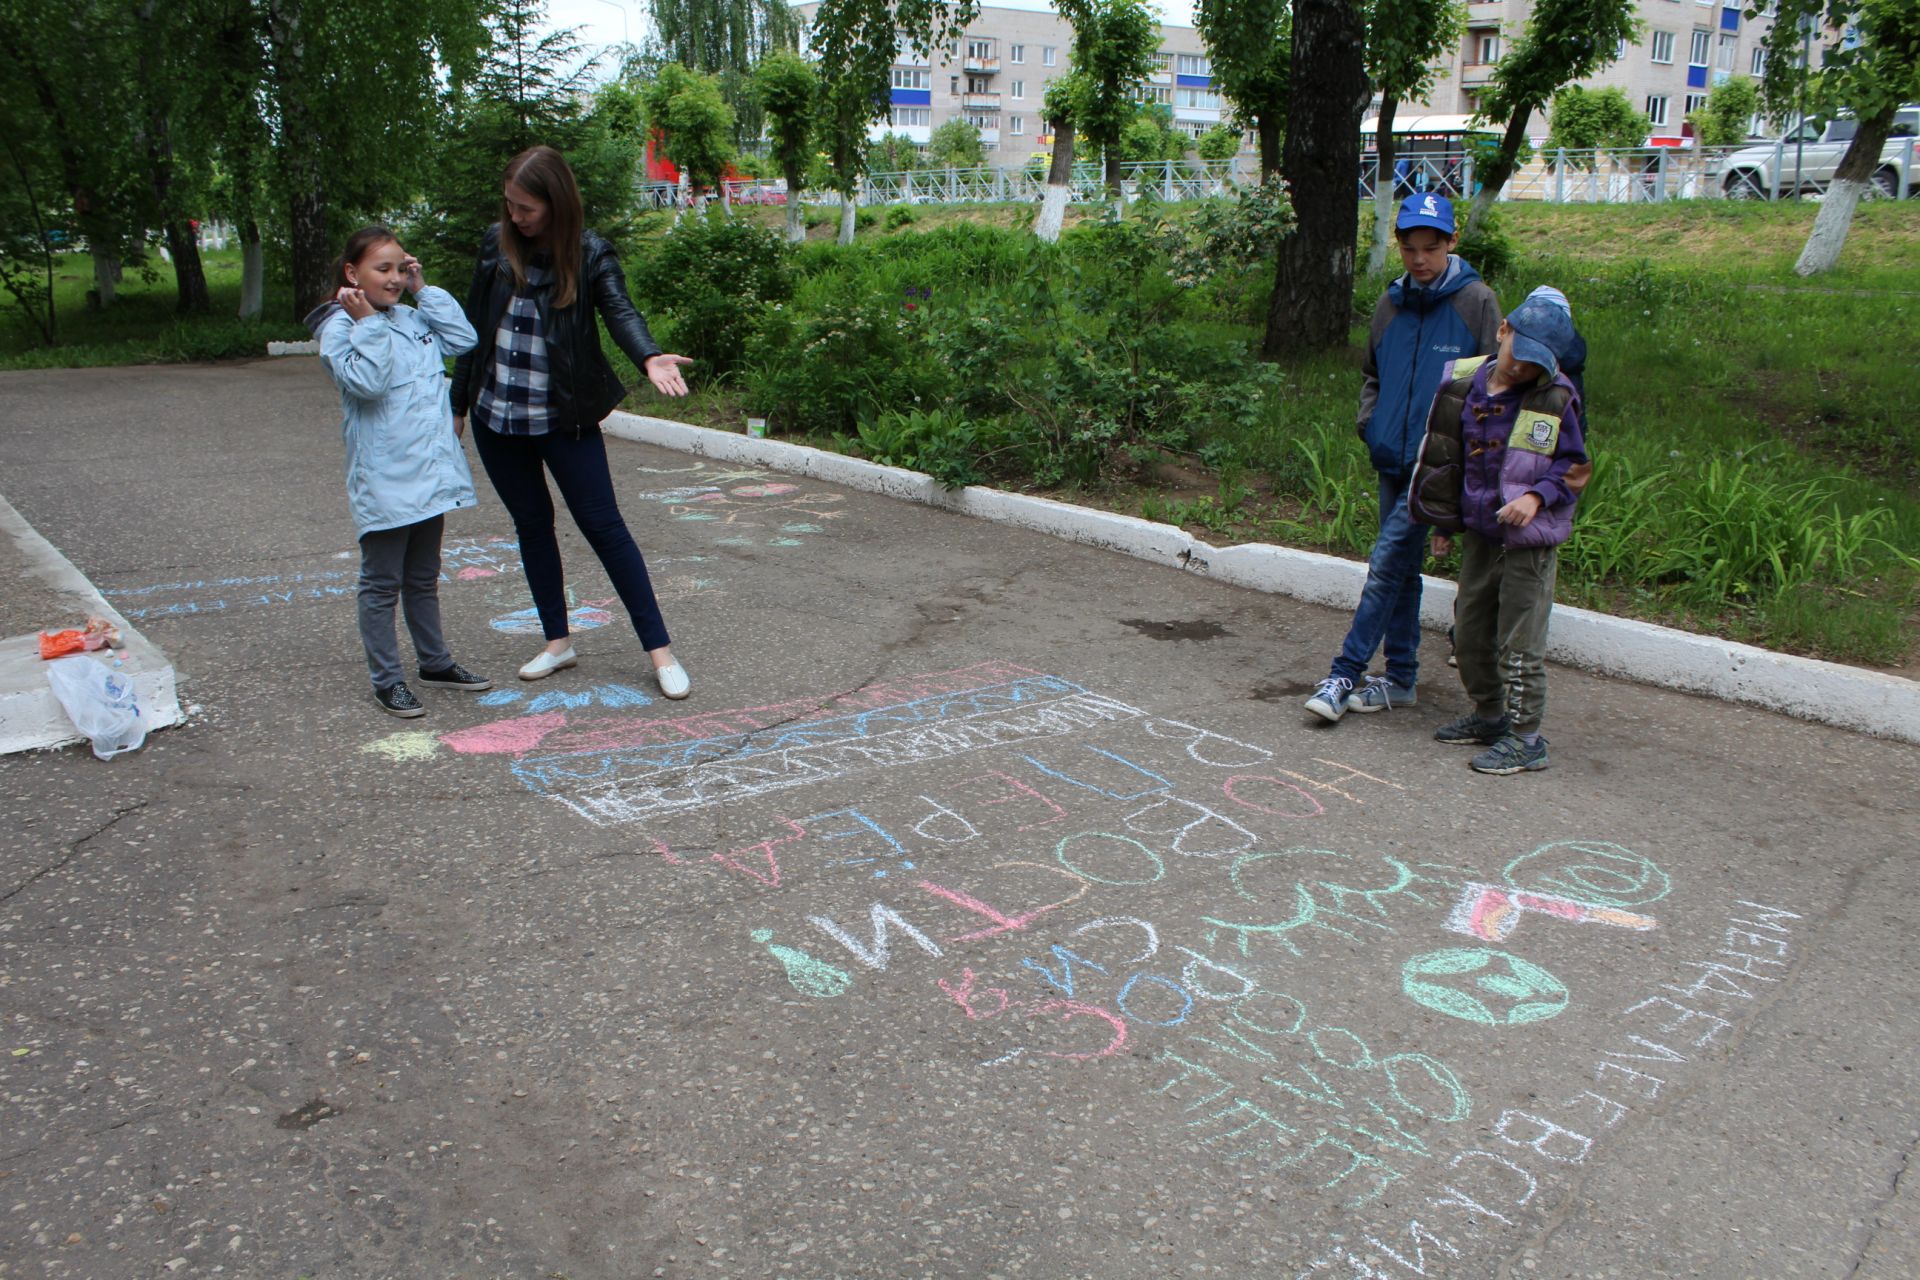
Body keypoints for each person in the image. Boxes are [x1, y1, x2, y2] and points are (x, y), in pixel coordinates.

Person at [450, 145, 697, 697]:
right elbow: (472, 329)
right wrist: (458, 405)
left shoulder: (588, 255)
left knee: (605, 529)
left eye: (526, 208)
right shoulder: (496, 245)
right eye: (509, 205)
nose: (515, 217)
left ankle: (660, 652)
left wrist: (648, 355)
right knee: (532, 526)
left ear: (556, 203)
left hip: (565, 420)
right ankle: (558, 643)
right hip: (498, 419)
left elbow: (619, 310)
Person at [1304, 192, 1501, 724]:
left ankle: (1345, 671)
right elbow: (1373, 373)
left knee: (1387, 562)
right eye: (1409, 248)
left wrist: (1463, 460)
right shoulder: (1391, 302)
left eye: (1431, 248)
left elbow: (1493, 390)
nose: (1419, 259)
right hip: (1391, 453)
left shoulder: (1477, 302)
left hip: (1436, 466)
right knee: (1405, 572)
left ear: (1452, 243)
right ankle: (1402, 677)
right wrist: (1370, 424)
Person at [306, 226, 492, 718]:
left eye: (397, 267)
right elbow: (367, 383)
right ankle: (387, 679)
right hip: (386, 477)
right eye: (380, 269)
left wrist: (421, 287)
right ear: (352, 273)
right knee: (382, 582)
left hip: (430, 471)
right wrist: (366, 321)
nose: (392, 278)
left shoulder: (409, 315)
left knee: (424, 577)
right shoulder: (339, 328)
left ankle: (434, 663)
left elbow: (463, 338)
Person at [1408, 287, 1590, 774]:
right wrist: (1444, 523)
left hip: (1529, 542)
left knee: (1520, 643)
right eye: (1518, 356)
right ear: (1503, 329)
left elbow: (1573, 467)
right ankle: (1490, 715)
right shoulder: (1464, 382)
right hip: (1481, 534)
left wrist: (1536, 497)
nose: (1522, 369)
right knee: (1468, 632)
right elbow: (1445, 455)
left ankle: (1527, 737)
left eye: (1536, 364)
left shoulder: (1553, 395)